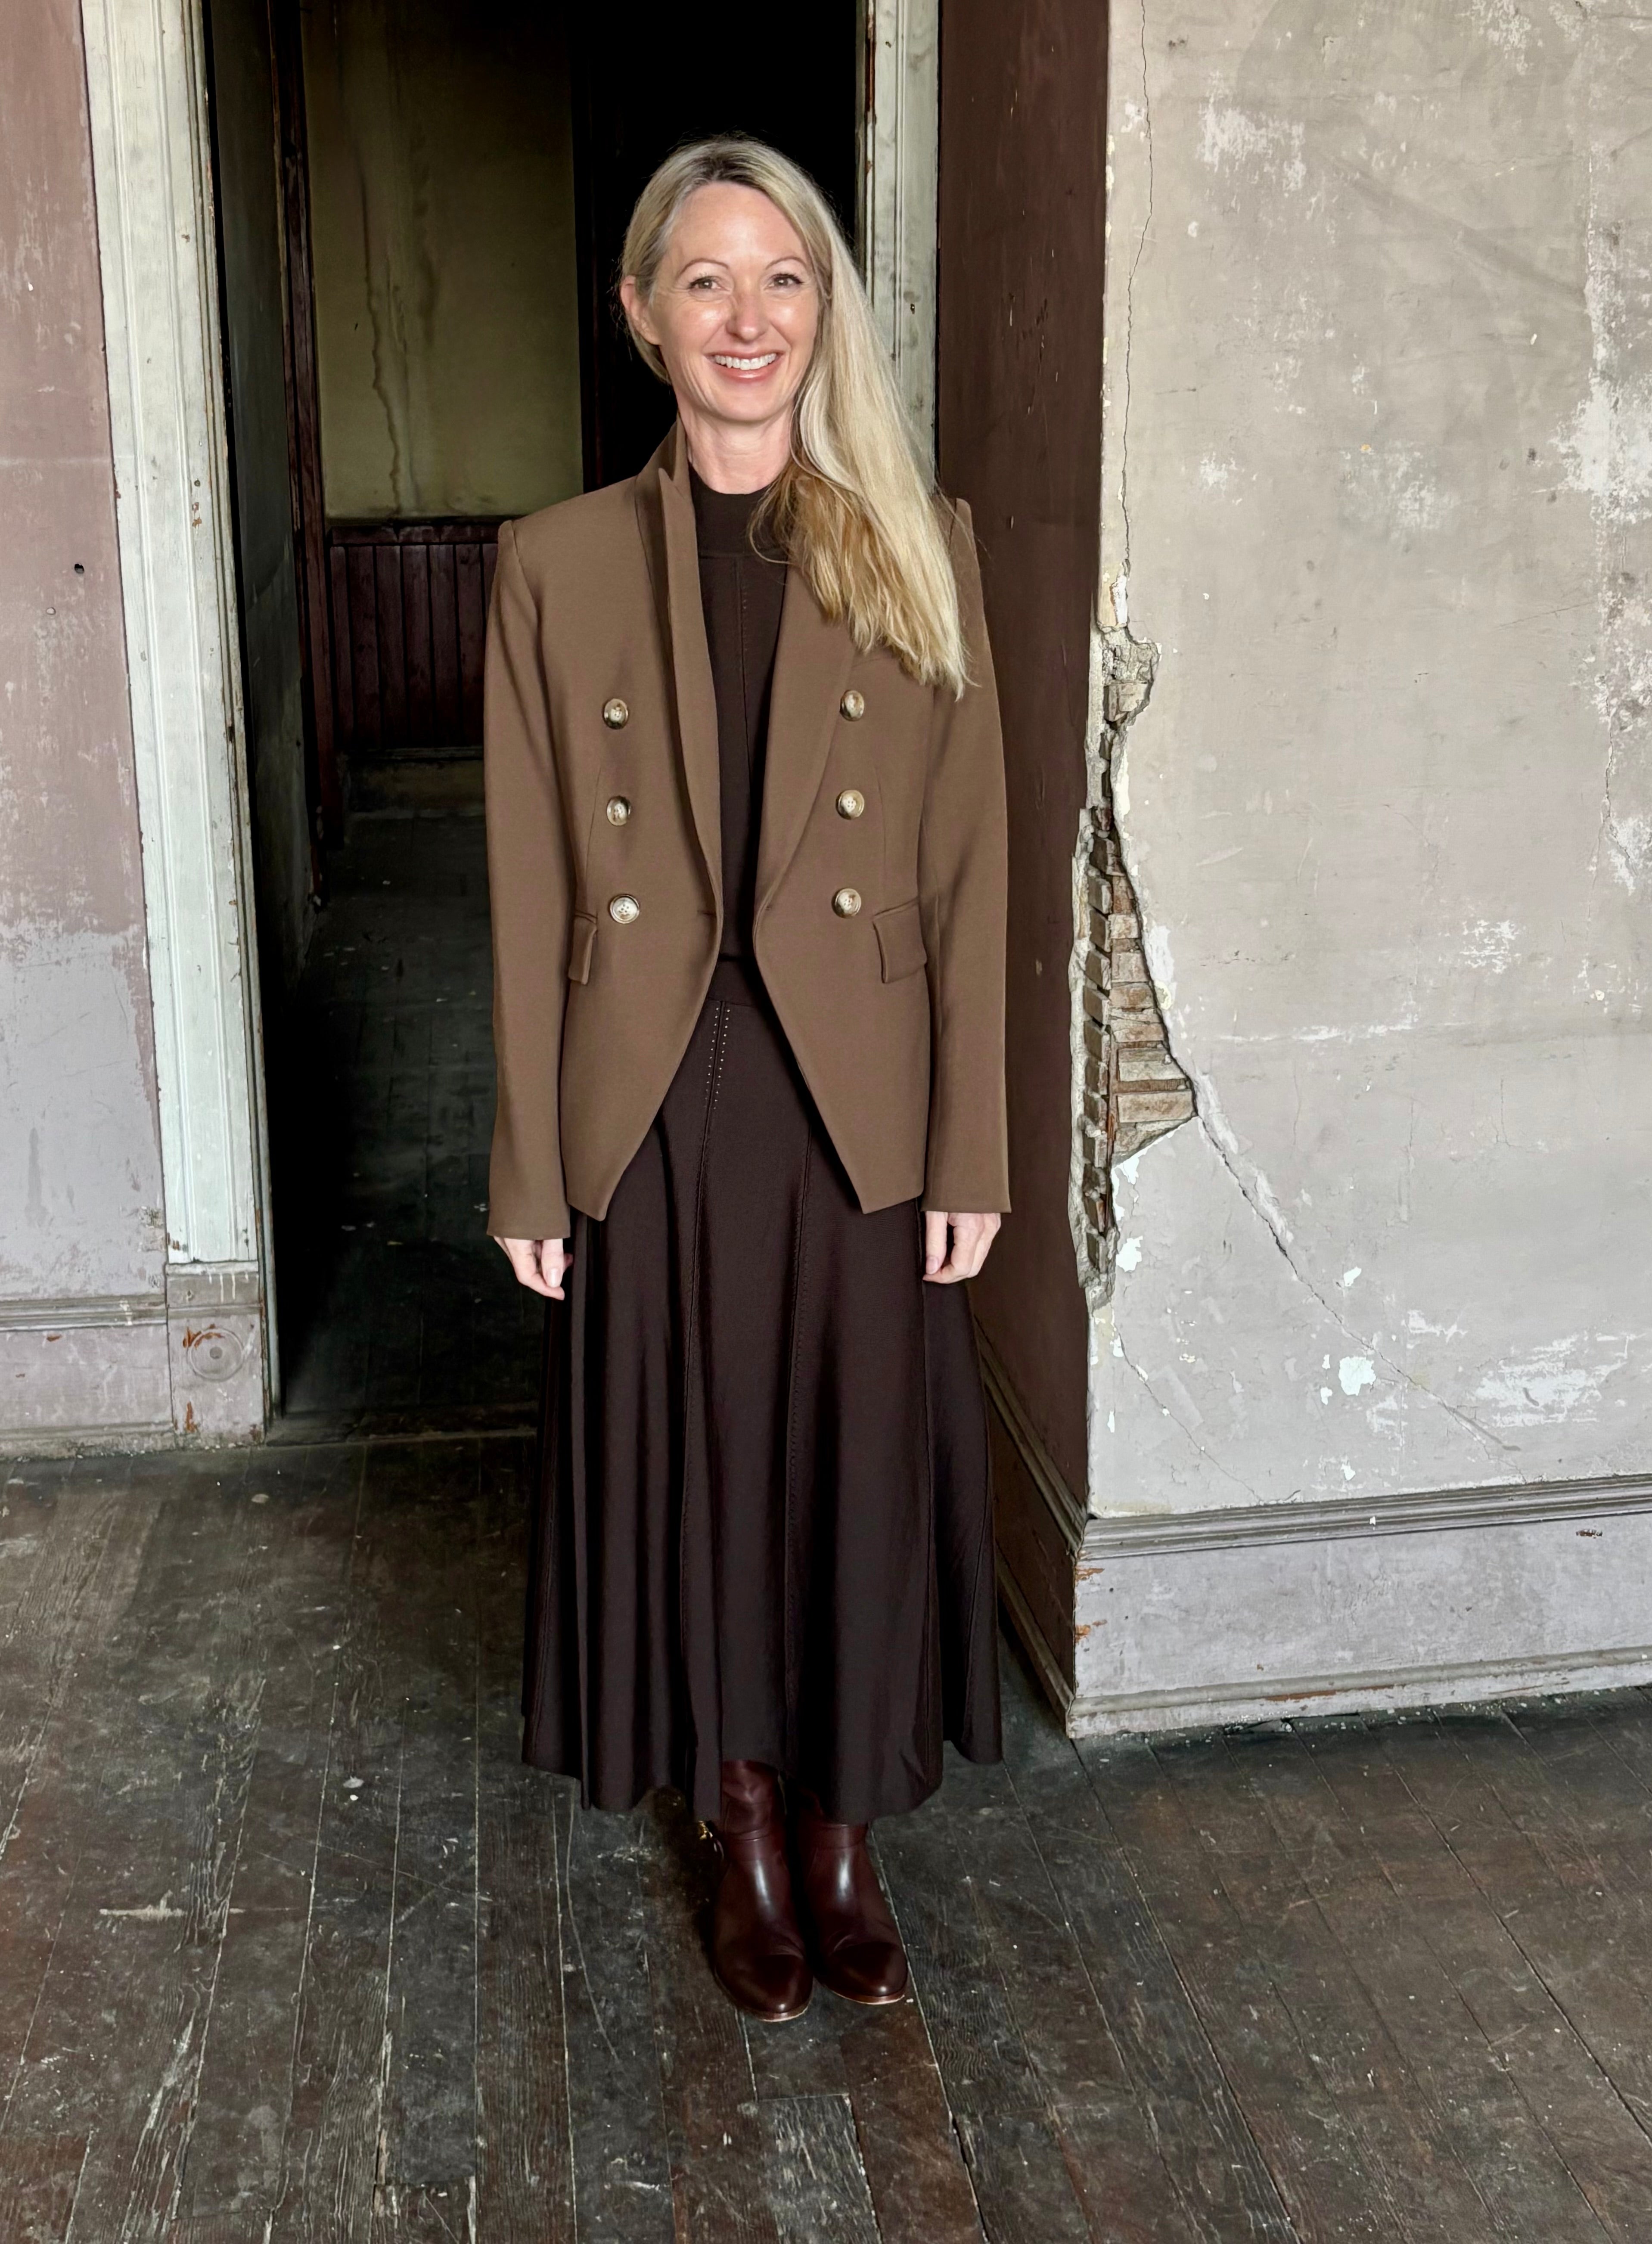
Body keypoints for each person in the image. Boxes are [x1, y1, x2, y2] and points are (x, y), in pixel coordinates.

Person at [482, 135, 1008, 2024]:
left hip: (856, 1087)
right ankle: (746, 1828)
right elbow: (525, 882)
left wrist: (971, 1147)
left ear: (822, 311)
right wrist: (529, 1168)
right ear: (642, 314)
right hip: (653, 1087)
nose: (747, 317)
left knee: (855, 1464)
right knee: (703, 1467)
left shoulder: (917, 539)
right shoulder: (553, 565)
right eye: (704, 279)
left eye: (782, 278)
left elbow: (971, 865)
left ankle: (848, 1830)